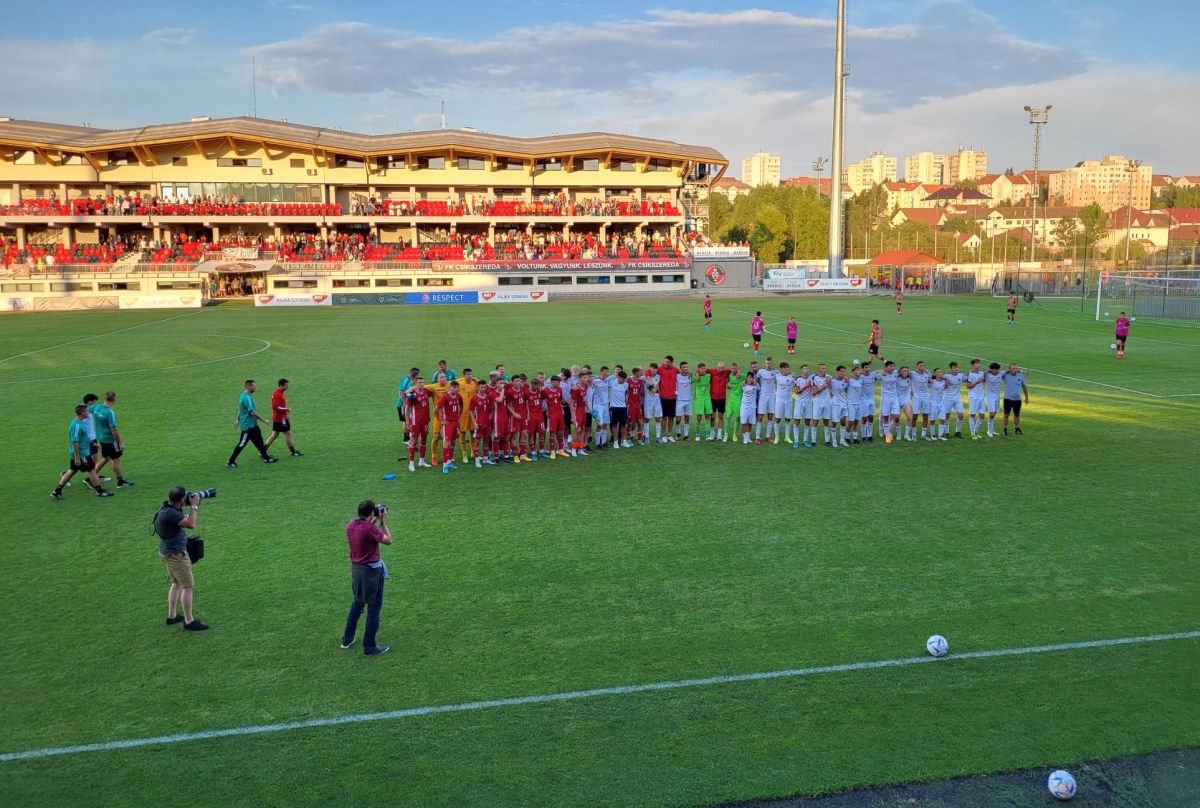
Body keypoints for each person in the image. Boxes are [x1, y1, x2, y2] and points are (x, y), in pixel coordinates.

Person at [341, 500, 393, 657]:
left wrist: (374, 519)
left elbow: (366, 529)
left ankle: (347, 639)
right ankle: (369, 647)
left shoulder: (351, 525)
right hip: (371, 573)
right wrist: (382, 521)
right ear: (371, 513)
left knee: (357, 603)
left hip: (357, 571)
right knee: (374, 609)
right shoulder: (370, 529)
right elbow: (388, 540)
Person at [154, 486, 206, 631]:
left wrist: (189, 503)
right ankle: (189, 621)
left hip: (168, 552)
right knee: (187, 587)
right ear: (181, 499)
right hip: (177, 555)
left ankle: (172, 616)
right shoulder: (172, 514)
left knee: (176, 584)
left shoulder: (167, 508)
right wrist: (194, 505)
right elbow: (191, 524)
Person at [52, 404, 112, 499]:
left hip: (82, 453)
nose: (88, 412)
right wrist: (77, 457)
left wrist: (92, 443)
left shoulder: (82, 422)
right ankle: (99, 491)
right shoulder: (76, 425)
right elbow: (74, 442)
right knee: (92, 470)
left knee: (72, 471)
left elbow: (83, 437)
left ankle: (57, 491)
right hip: (82, 454)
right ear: (82, 413)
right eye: (87, 411)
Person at [228, 380, 277, 468]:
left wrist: (237, 419)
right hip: (247, 427)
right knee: (241, 444)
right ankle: (230, 461)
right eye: (254, 386)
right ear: (248, 386)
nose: (255, 387)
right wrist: (264, 420)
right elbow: (252, 412)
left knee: (259, 442)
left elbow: (241, 408)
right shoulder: (246, 397)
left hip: (253, 425)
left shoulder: (243, 395)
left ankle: (266, 458)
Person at [91, 390, 134, 487]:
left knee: (105, 457)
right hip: (110, 440)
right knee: (116, 460)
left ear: (105, 398)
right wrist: (120, 442)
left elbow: (85, 408)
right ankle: (120, 481)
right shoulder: (110, 412)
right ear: (114, 399)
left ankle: (92, 476)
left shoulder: (96, 407)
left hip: (101, 438)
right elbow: (114, 429)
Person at [264, 378, 303, 457]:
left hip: (279, 417)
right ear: (281, 385)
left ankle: (262, 451)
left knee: (275, 434)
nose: (287, 386)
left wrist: (286, 414)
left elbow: (279, 406)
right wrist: (287, 409)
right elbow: (275, 407)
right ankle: (293, 451)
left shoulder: (280, 393)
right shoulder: (277, 394)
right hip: (280, 418)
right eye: (286, 385)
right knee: (287, 433)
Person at [704, 361, 732, 441]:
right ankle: (712, 432)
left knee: (720, 416)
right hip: (712, 398)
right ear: (717, 367)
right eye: (719, 368)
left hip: (722, 398)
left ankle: (719, 433)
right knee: (712, 416)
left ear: (724, 368)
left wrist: (737, 372)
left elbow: (735, 369)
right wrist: (698, 374)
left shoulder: (726, 372)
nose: (720, 370)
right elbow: (701, 369)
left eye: (722, 368)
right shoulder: (712, 371)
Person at [1001, 363, 1029, 436]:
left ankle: (1016, 428)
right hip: (1007, 399)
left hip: (1017, 399)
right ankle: (1005, 429)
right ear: (1009, 369)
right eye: (1013, 368)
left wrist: (1026, 397)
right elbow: (1000, 372)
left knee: (1017, 415)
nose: (1015, 370)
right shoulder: (1005, 375)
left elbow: (1024, 387)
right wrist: (1021, 371)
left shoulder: (1021, 375)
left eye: (1016, 368)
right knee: (1006, 415)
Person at [657, 356, 679, 442]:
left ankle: (669, 434)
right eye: (665, 361)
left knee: (671, 417)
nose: (666, 363)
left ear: (671, 363)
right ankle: (663, 435)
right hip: (663, 397)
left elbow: (683, 373)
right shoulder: (660, 369)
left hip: (672, 397)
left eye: (668, 362)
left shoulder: (675, 369)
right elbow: (649, 372)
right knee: (664, 417)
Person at [943, 361, 966, 438]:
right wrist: (945, 381)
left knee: (961, 415)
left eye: (957, 367)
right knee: (946, 416)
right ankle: (946, 432)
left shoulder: (961, 375)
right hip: (947, 398)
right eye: (954, 367)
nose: (956, 369)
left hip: (957, 398)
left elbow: (968, 379)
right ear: (951, 368)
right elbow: (937, 377)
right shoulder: (946, 376)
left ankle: (958, 431)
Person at [965, 358, 987, 439]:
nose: (979, 364)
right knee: (972, 415)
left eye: (979, 363)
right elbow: (967, 386)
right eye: (977, 363)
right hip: (973, 397)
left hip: (981, 397)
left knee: (982, 415)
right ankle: (972, 433)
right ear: (973, 365)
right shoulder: (970, 374)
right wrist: (977, 382)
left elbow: (986, 377)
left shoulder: (982, 372)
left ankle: (976, 431)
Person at [693, 362, 714, 440]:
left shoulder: (708, 376)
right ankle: (697, 435)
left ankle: (707, 435)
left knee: (708, 417)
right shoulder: (694, 377)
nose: (704, 370)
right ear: (698, 369)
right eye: (702, 368)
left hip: (707, 400)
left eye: (704, 368)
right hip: (699, 400)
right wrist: (696, 373)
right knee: (698, 418)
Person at [397, 367, 419, 441]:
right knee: (406, 421)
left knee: (407, 420)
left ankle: (407, 438)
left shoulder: (411, 381)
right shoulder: (406, 379)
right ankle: (407, 438)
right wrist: (404, 404)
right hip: (402, 404)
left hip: (406, 404)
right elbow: (401, 392)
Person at [983, 362, 1003, 437]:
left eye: (998, 369)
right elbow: (981, 380)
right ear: (992, 370)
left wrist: (1021, 371)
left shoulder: (1001, 373)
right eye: (996, 370)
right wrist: (985, 373)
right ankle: (989, 431)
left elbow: (1010, 370)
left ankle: (991, 430)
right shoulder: (987, 375)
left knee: (994, 414)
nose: (997, 371)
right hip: (989, 397)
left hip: (997, 397)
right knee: (991, 414)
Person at [738, 370, 759, 444]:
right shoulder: (743, 385)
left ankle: (748, 437)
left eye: (751, 378)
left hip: (752, 407)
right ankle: (745, 438)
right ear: (746, 378)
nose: (750, 379)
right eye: (749, 377)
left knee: (750, 423)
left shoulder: (756, 385)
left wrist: (755, 382)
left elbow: (759, 388)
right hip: (744, 407)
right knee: (744, 423)